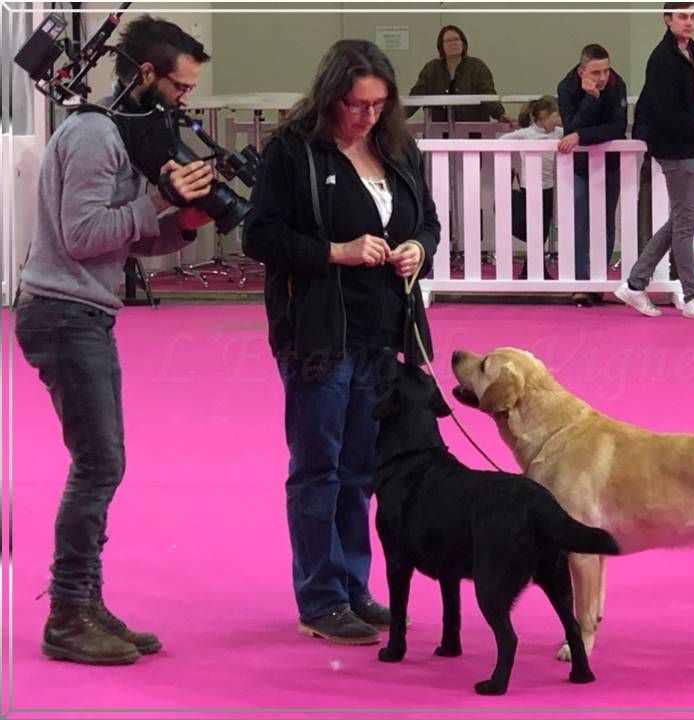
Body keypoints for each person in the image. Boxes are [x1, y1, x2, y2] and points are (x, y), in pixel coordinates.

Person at [14, 16, 214, 665]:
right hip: (64, 311)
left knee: (103, 462)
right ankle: (69, 613)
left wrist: (182, 220)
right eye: (180, 88)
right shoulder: (97, 134)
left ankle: (84, 601)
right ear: (148, 75)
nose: (185, 101)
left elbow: (126, 237)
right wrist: (156, 207)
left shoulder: (112, 132)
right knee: (99, 465)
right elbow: (83, 235)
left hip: (80, 310)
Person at [242, 39, 439, 645]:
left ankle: (353, 584)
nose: (368, 116)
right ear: (332, 96)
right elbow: (259, 236)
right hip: (319, 336)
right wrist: (335, 252)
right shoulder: (291, 152)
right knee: (318, 470)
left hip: (385, 335)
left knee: (362, 470)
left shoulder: (398, 148)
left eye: (379, 104)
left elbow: (427, 221)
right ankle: (320, 596)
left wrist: (419, 250)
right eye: (357, 104)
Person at [615, 2, 694, 320]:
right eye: (682, 16)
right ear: (667, 20)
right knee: (685, 222)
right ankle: (692, 295)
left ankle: (635, 283)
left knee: (680, 219)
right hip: (675, 146)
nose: (689, 22)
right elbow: (665, 113)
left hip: (692, 143)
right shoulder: (662, 59)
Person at [557, 43, 628, 306]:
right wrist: (591, 99)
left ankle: (598, 279)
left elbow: (617, 127)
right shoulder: (566, 87)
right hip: (578, 166)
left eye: (606, 71)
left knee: (606, 220)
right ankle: (580, 281)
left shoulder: (617, 84)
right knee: (579, 221)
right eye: (596, 72)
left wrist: (581, 136)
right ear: (581, 71)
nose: (602, 78)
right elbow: (570, 126)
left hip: (609, 162)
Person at [498, 95, 563, 279]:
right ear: (544, 116)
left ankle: (533, 269)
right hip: (530, 188)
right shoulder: (526, 133)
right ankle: (533, 269)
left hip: (548, 188)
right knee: (535, 229)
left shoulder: (557, 133)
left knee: (543, 231)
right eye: (556, 116)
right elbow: (502, 140)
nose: (558, 120)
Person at [406, 25, 513, 126]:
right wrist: (399, 117)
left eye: (457, 39)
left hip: (473, 132)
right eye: (448, 41)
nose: (453, 43)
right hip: (438, 133)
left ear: (463, 43)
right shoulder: (431, 69)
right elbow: (417, 95)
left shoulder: (477, 67)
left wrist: (500, 115)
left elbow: (487, 94)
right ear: (441, 46)